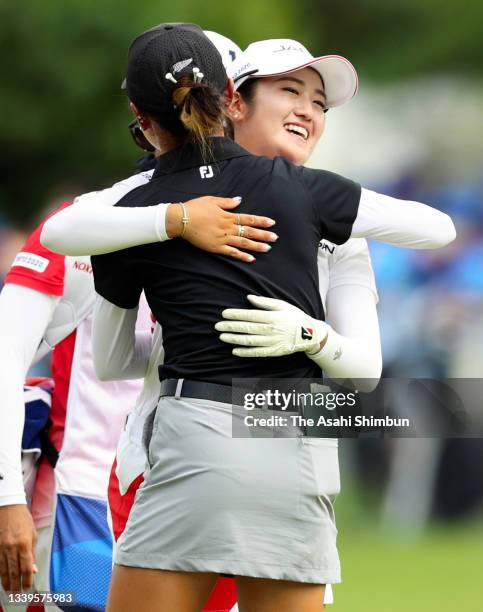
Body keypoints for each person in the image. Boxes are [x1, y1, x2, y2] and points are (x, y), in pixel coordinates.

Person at [66, 23, 456, 612]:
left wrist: (311, 335)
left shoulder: (340, 224)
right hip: (170, 456)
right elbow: (73, 229)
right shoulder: (157, 192)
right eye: (289, 92)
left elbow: (365, 369)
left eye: (319, 102)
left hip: (278, 438)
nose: (307, 111)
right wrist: (176, 221)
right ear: (232, 101)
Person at [0, 33, 277, 612]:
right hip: (85, 514)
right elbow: (3, 359)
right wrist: (7, 499)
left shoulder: (275, 232)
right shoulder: (93, 223)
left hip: (224, 505)